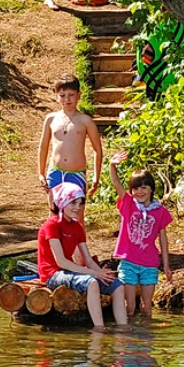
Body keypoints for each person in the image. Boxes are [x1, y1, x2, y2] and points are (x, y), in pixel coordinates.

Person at [37, 181, 128, 328]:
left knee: (116, 285)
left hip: (69, 271)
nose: (77, 208)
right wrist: (93, 274)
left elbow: (88, 259)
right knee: (91, 282)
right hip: (52, 274)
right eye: (73, 203)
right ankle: (99, 329)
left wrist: (100, 272)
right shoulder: (51, 226)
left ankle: (123, 328)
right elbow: (61, 262)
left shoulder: (77, 227)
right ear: (62, 202)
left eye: (80, 203)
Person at [107, 159, 173, 317]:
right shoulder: (128, 204)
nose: (140, 192)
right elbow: (116, 184)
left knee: (146, 307)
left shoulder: (160, 211)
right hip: (128, 262)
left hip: (149, 264)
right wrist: (112, 165)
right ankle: (128, 339)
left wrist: (166, 265)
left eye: (144, 187)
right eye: (135, 188)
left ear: (151, 189)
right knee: (129, 307)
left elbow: (163, 241)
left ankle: (146, 339)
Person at [37, 73, 103, 207]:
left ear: (79, 95)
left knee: (76, 215)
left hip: (76, 174)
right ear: (56, 97)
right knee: (54, 215)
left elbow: (97, 150)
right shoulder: (51, 119)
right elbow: (43, 147)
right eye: (62, 95)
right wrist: (41, 173)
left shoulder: (86, 121)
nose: (67, 99)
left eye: (71, 95)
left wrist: (96, 176)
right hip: (55, 172)